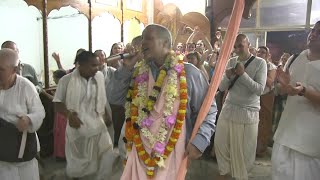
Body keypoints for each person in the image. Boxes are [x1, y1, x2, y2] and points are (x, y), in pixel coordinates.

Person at [108, 24, 217, 180]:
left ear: (166, 43)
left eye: (148, 38)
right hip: (138, 152)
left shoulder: (189, 72)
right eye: (142, 38)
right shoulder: (137, 72)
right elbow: (114, 98)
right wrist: (126, 67)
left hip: (172, 152)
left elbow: (209, 108)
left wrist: (201, 140)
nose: (142, 43)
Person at [53, 51, 116, 179]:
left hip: (97, 124)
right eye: (93, 65)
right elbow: (57, 103)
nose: (97, 68)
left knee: (106, 154)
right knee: (80, 164)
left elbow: (100, 98)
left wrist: (106, 115)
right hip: (78, 128)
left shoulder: (98, 77)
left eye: (97, 65)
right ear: (80, 65)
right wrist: (69, 115)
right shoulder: (66, 80)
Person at [214, 34, 267, 180]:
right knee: (221, 144)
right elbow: (222, 87)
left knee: (245, 151)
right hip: (229, 108)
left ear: (248, 44)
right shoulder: (231, 61)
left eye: (240, 45)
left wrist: (243, 75)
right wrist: (227, 76)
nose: (237, 49)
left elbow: (259, 90)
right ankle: (224, 173)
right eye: (235, 46)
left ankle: (240, 176)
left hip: (248, 111)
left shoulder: (260, 63)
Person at [272, 21, 320, 180]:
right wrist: (282, 86)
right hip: (285, 134)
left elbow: (301, 91)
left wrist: (304, 91)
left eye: (319, 33)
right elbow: (283, 90)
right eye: (313, 30)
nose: (313, 35)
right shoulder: (295, 58)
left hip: (310, 143)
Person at [0, 48, 45, 180]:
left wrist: (28, 119)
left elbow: (40, 112)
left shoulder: (26, 86)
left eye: (1, 69)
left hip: (22, 149)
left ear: (14, 70)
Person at [42, 69, 67, 161]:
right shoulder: (64, 85)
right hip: (61, 114)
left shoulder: (63, 86)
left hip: (62, 114)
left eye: (54, 78)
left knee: (61, 134)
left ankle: (62, 155)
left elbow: (56, 100)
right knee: (59, 133)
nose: (54, 80)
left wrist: (45, 93)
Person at [256, 46, 276, 157]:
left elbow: (270, 82)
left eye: (263, 52)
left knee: (264, 123)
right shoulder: (253, 63)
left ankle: (261, 149)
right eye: (258, 52)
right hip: (254, 96)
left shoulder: (271, 66)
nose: (260, 54)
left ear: (268, 55)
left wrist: (261, 69)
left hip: (266, 96)